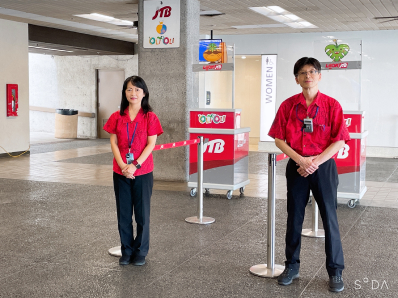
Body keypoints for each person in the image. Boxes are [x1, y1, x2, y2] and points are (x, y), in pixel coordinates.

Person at [268, 57, 350, 292]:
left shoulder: (332, 105)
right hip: (297, 166)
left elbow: (339, 140)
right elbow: (278, 139)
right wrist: (301, 160)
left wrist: (314, 162)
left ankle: (335, 271)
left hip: (323, 167)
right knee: (294, 218)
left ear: (320, 75)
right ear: (296, 79)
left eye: (312, 71)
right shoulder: (288, 106)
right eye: (302, 73)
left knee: (330, 218)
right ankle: (291, 266)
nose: (308, 76)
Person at [103, 75, 163, 266]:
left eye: (137, 89)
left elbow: (151, 143)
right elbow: (113, 141)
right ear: (124, 93)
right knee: (123, 214)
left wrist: (135, 165)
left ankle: (141, 252)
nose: (133, 93)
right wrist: (123, 166)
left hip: (143, 171)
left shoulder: (150, 117)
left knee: (142, 214)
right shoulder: (116, 116)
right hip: (120, 171)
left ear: (144, 93)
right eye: (129, 89)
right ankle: (126, 251)